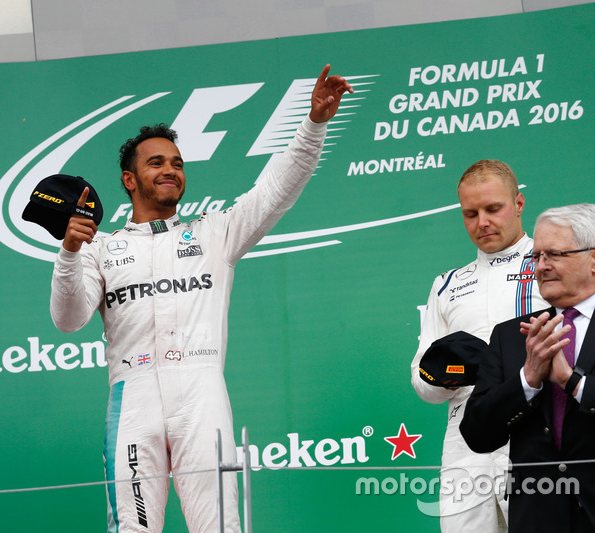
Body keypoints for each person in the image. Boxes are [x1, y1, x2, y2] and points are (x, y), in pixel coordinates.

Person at [50, 64, 353, 532]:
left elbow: (275, 191)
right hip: (131, 398)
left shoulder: (215, 233)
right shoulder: (100, 247)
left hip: (200, 390)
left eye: (177, 163)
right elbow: (68, 320)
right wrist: (69, 252)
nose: (170, 169)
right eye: (156, 163)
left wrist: (314, 124)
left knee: (221, 526)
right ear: (129, 181)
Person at [410, 160, 547, 531]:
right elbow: (422, 380)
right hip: (465, 440)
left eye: (493, 208)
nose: (482, 222)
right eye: (470, 213)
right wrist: (446, 376)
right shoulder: (447, 284)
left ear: (518, 204)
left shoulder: (550, 263)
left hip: (536, 430)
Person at [461, 203, 595, 532]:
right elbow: (476, 433)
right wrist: (527, 379)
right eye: (536, 257)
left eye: (555, 254)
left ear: (593, 259)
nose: (541, 267)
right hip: (537, 519)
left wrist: (570, 380)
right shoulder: (511, 336)